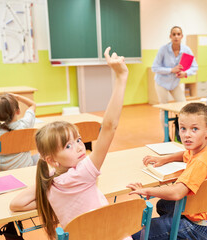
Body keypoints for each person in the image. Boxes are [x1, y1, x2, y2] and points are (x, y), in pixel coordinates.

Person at [9, 47, 130, 240]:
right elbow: (109, 127)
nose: (80, 146)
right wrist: (121, 76)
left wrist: (48, 184)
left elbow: (17, 204)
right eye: (68, 145)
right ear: (52, 159)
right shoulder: (83, 173)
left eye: (78, 139)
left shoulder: (51, 183)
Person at [127, 102, 207, 240]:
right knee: (162, 205)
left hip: (198, 227)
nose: (187, 135)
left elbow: (177, 192)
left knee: (137, 234)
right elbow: (185, 154)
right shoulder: (206, 149)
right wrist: (164, 159)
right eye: (183, 128)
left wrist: (147, 190)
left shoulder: (200, 161)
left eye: (194, 129)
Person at [152, 26, 198, 130]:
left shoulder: (187, 50)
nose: (176, 36)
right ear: (170, 36)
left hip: (174, 83)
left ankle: (181, 131)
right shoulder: (163, 49)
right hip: (161, 83)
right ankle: (166, 136)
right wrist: (171, 70)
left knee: (184, 107)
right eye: (174, 34)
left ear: (182, 36)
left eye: (178, 34)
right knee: (163, 108)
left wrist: (185, 73)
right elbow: (155, 68)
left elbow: (195, 67)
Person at [0, 92, 37, 171]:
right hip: (26, 166)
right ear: (18, 111)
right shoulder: (25, 124)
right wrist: (17, 97)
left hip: (4, 170)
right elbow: (32, 105)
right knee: (39, 155)